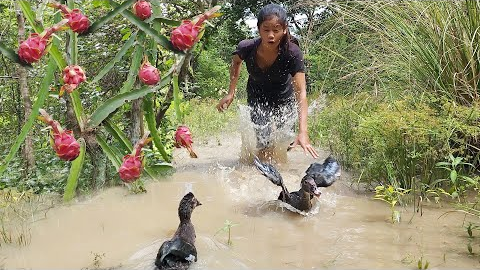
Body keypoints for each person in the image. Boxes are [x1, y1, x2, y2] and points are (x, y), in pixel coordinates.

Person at [216, 3, 319, 159]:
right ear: (259, 29)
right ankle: (260, 173)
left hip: (284, 98)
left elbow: (301, 92)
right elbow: (236, 62)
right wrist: (231, 92)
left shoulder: (292, 53)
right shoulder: (246, 47)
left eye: (276, 30)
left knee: (282, 143)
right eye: (266, 30)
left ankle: (280, 172)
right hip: (257, 96)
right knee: (264, 141)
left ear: (284, 30)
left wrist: (303, 132)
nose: (271, 35)